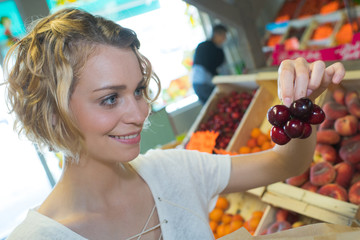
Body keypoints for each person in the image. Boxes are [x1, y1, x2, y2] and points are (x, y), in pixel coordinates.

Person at [3, 8, 345, 240]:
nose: (139, 114)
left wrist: (304, 105)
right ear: (51, 112)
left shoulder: (174, 171)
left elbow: (288, 162)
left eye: (138, 90)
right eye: (110, 98)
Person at [191, 24, 228, 104]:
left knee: (210, 108)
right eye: (224, 35)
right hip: (205, 84)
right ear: (216, 34)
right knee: (218, 105)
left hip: (196, 84)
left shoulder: (203, 46)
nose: (225, 39)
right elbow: (211, 68)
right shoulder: (211, 49)